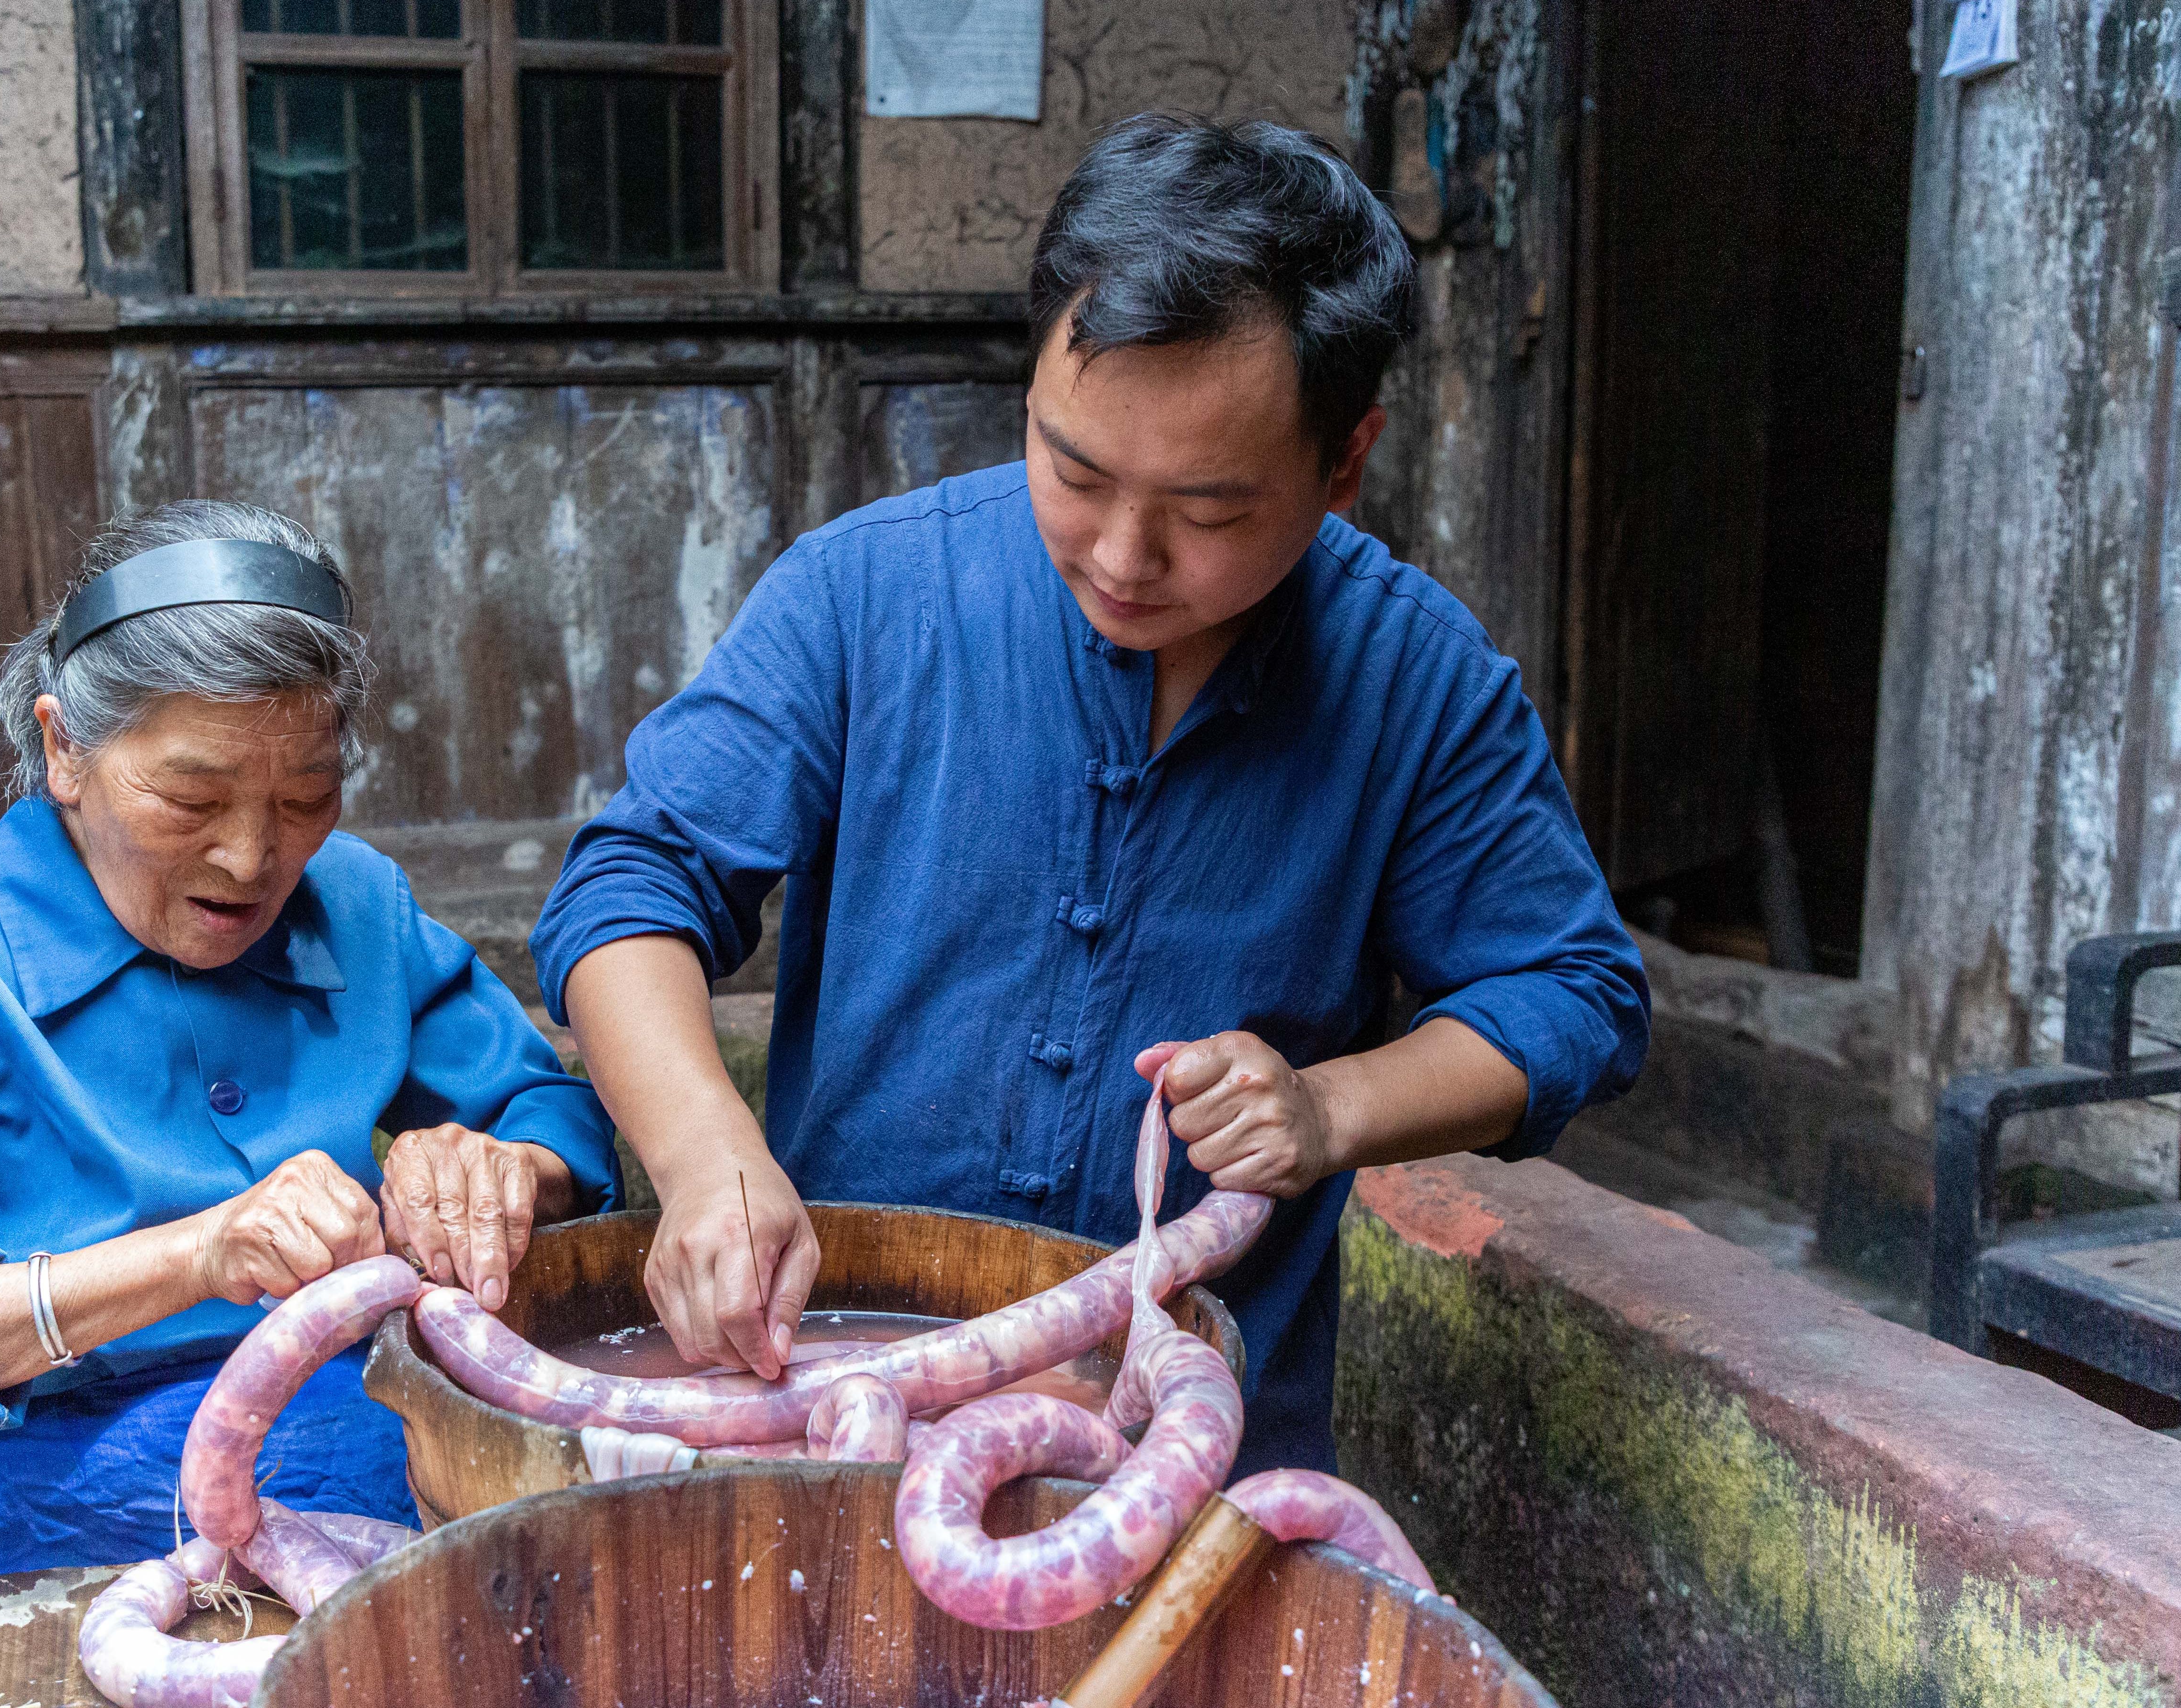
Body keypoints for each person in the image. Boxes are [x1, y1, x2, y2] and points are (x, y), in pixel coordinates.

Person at [529, 114, 1649, 1476]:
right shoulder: (867, 594)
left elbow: (1573, 993)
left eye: (1211, 513)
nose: (1124, 555)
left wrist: (1330, 1108)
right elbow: (633, 883)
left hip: (1192, 1452)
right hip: (834, 1406)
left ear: (1344, 460)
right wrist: (708, 1155)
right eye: (1075, 470)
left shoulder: (1420, 683)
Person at [0, 500, 616, 1582]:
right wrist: (199, 1253)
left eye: (307, 797)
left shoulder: (357, 906)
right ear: (66, 750)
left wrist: (498, 1172)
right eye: (190, 799)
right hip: (34, 1539)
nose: (253, 858)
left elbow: (559, 1124)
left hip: (388, 1498)